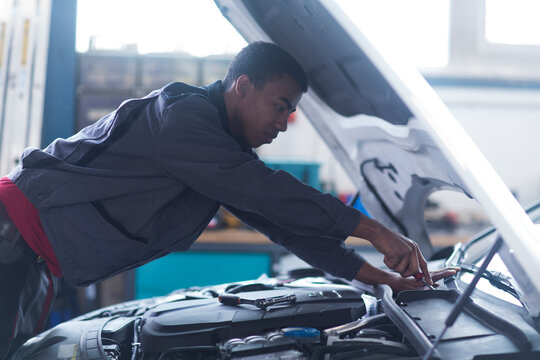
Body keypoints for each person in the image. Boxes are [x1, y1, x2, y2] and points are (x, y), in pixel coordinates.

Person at [0, 41, 457, 356]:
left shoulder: (221, 147)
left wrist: (384, 281)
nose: (283, 123)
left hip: (30, 254)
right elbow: (267, 191)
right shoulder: (184, 120)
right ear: (242, 86)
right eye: (279, 105)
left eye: (291, 112)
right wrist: (376, 231)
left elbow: (282, 223)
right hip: (9, 237)